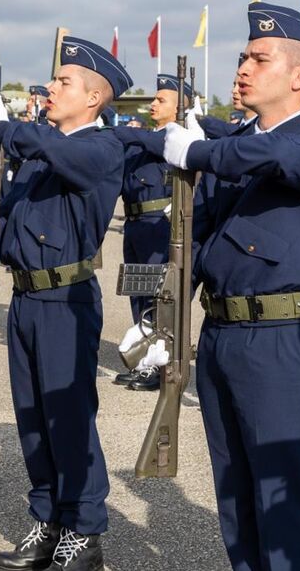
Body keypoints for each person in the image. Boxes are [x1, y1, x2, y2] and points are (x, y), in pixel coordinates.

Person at [160, 2, 300, 570]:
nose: (244, 66)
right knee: (236, 494)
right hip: (222, 333)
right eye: (244, 56)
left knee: (281, 495)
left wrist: (197, 150)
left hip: (278, 338)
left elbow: (269, 152)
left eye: (260, 58)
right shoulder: (245, 143)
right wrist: (162, 315)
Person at [0, 35, 131, 571]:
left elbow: (57, 152)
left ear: (93, 98)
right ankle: (48, 516)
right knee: (33, 415)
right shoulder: (45, 149)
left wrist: (6, 129)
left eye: (64, 82)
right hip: (27, 297)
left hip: (66, 297)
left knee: (68, 415)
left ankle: (84, 530)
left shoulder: (99, 148)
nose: (50, 89)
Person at [112, 74, 191, 391]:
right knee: (139, 294)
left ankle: (163, 364)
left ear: (179, 108)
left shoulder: (175, 138)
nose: (153, 104)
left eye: (161, 100)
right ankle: (145, 360)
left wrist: (120, 132)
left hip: (159, 226)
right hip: (135, 226)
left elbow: (159, 144)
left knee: (160, 297)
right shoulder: (142, 141)